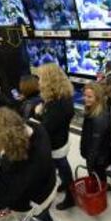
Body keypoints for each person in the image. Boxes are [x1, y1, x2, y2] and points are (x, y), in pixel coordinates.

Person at [0, 107, 57, 221]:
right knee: (45, 217)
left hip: (34, 204)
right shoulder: (37, 128)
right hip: (48, 185)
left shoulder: (16, 166)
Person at [36, 64, 75, 210]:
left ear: (49, 81)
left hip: (56, 144)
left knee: (62, 166)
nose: (38, 82)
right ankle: (66, 184)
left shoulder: (57, 104)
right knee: (62, 165)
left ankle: (71, 196)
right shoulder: (62, 96)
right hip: (61, 139)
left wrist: (37, 114)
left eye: (40, 78)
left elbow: (45, 129)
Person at [81, 83, 111, 182]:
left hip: (97, 158)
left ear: (98, 98)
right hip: (94, 155)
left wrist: (90, 162)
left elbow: (95, 145)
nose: (85, 99)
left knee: (97, 177)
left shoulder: (99, 119)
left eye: (89, 97)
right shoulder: (92, 110)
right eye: (85, 95)